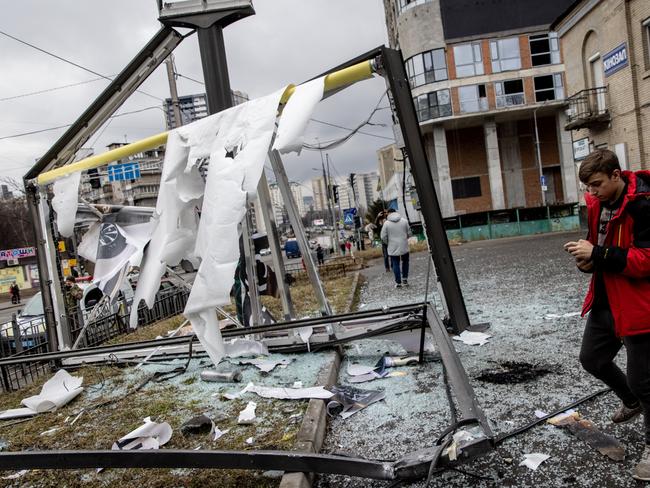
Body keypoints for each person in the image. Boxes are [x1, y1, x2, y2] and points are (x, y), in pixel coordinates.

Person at [564, 149, 650, 481]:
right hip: (606, 299)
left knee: (645, 380)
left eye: (598, 184)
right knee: (593, 359)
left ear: (617, 174)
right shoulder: (596, 204)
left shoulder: (643, 203)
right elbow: (595, 247)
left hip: (639, 303)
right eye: (588, 186)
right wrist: (587, 260)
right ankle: (632, 401)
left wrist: (599, 253)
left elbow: (646, 259)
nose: (593, 192)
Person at [380, 208, 411, 288]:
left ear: (389, 213)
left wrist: (388, 243)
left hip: (392, 246)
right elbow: (409, 233)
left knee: (395, 263)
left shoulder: (386, 223)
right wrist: (404, 239)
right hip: (403, 245)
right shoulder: (404, 221)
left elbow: (383, 237)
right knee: (405, 262)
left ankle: (398, 282)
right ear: (395, 212)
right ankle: (405, 279)